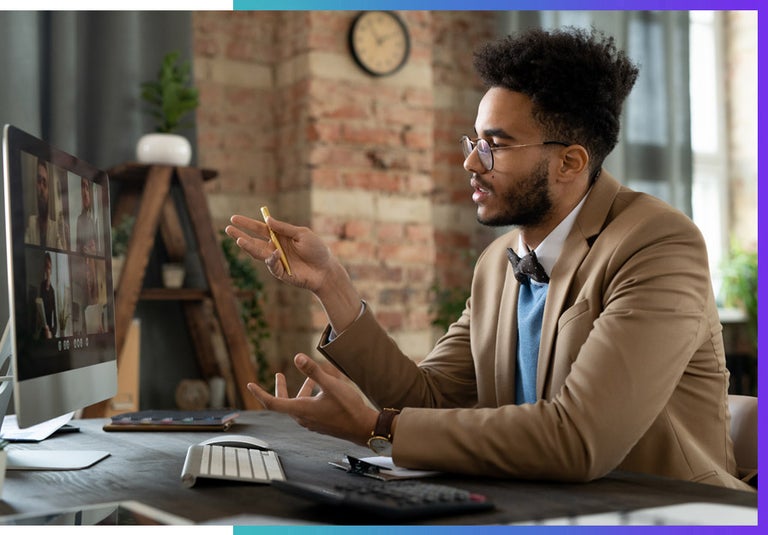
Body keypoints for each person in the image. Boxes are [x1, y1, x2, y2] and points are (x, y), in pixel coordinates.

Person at [225, 27, 751, 491]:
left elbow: (581, 437)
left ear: (570, 162)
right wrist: (332, 285)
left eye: (495, 145)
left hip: (667, 511)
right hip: (537, 505)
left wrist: (376, 426)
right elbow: (426, 398)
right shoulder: (499, 261)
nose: (471, 161)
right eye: (474, 140)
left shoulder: (658, 244)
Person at [25, 160, 64, 249]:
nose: (42, 187)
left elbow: (62, 251)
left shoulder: (55, 228)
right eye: (39, 181)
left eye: (45, 183)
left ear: (48, 192)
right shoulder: (31, 223)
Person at [76, 177, 98, 254]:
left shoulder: (94, 219)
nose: (85, 193)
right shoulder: (79, 219)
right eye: (83, 187)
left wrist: (94, 251)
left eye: (87, 188)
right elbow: (78, 248)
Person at [38, 252, 57, 339]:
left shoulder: (52, 291)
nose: (48, 270)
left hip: (50, 331)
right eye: (47, 267)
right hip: (42, 328)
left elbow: (54, 315)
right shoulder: (42, 286)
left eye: (49, 267)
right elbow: (40, 309)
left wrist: (52, 333)